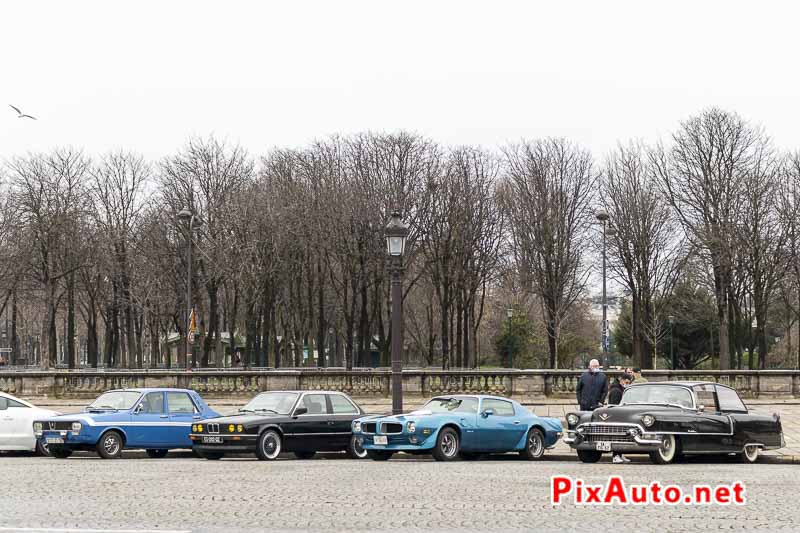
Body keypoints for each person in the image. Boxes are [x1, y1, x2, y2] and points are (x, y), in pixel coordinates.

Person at [609, 373, 633, 464]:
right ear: (622, 380)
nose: (627, 383)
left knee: (621, 436)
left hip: (618, 415)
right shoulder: (616, 391)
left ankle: (619, 454)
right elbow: (615, 405)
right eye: (626, 382)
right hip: (617, 416)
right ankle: (616, 455)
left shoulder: (618, 389)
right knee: (617, 436)